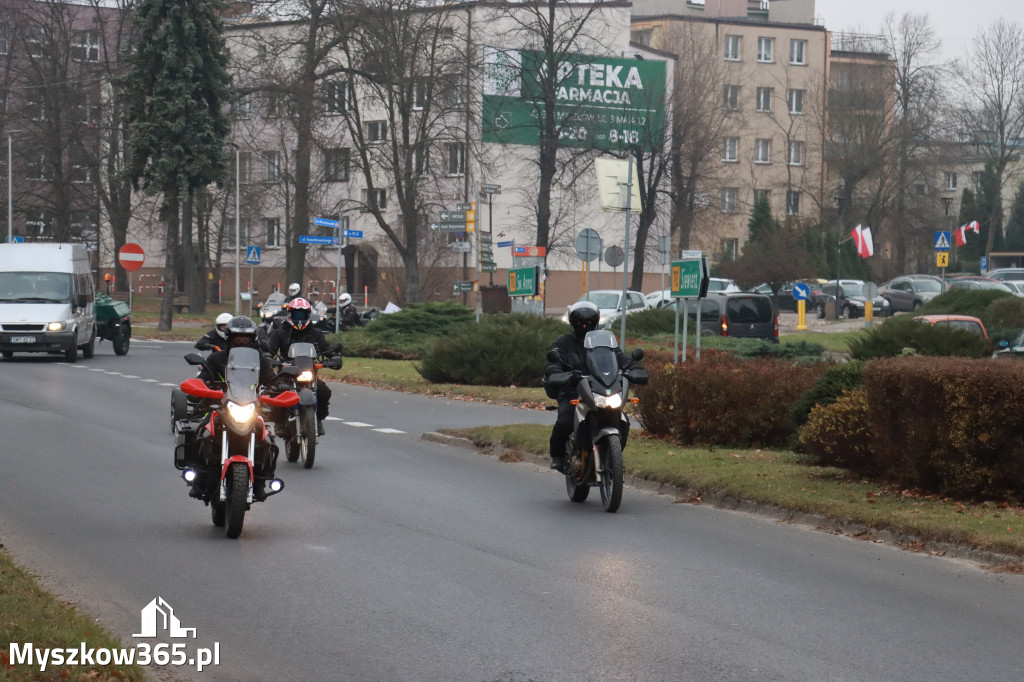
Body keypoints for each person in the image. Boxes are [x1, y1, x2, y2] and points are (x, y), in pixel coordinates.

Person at [544, 301, 637, 473]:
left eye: (588, 322)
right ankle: (557, 456)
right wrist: (557, 373)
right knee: (565, 420)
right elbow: (552, 361)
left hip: (600, 388)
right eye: (580, 323)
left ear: (596, 322)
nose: (584, 326)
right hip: (572, 389)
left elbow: (619, 356)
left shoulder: (605, 343)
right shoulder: (564, 343)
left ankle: (613, 458)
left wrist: (634, 368)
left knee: (622, 419)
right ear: (573, 324)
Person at [267, 298, 338, 435]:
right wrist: (270, 359)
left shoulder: (315, 333)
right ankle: (279, 422)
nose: (299, 318)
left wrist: (333, 357)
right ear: (290, 314)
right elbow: (269, 350)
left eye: (303, 314)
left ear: (308, 315)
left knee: (323, 391)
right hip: (286, 374)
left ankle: (317, 419)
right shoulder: (280, 333)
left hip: (309, 372)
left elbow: (326, 349)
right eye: (296, 314)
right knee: (277, 391)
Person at [199, 316, 278, 388]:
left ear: (253, 341)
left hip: (255, 399)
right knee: (197, 398)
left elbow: (271, 379)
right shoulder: (216, 358)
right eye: (237, 340)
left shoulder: (260, 360)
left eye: (245, 341)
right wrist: (202, 381)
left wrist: (280, 384)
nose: (241, 344)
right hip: (219, 398)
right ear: (229, 340)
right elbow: (204, 376)